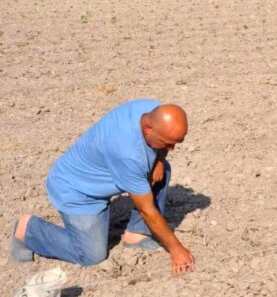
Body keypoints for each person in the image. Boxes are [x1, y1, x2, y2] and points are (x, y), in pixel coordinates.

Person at [8, 100, 196, 275]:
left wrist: (159, 159)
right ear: (148, 129)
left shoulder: (151, 108)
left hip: (101, 175)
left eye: (175, 143)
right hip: (77, 192)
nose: (172, 149)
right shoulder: (127, 154)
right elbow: (146, 209)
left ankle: (136, 234)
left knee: (161, 170)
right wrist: (176, 249)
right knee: (91, 255)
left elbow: (158, 152)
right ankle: (28, 230)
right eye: (167, 143)